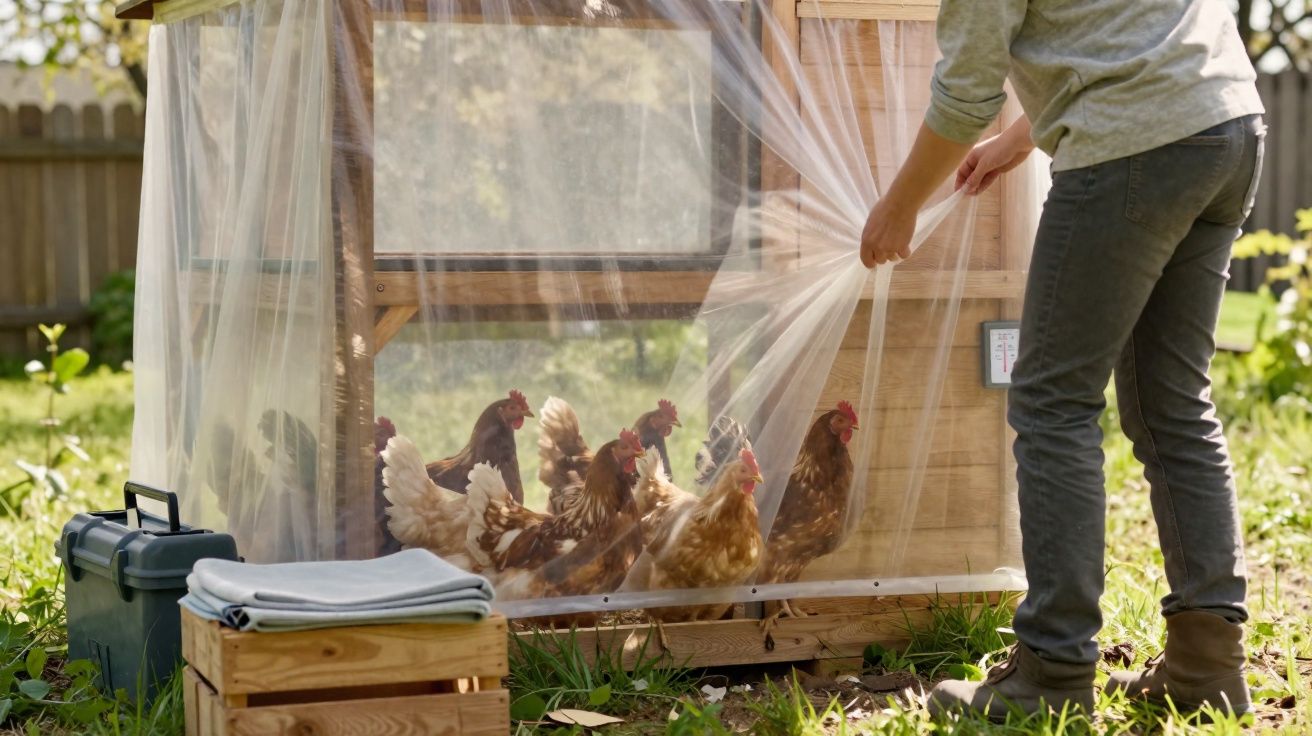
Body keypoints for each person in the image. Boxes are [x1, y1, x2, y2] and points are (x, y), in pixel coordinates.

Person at [859, 0, 1265, 721]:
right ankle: (1208, 666)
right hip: (1224, 120)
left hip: (1133, 142)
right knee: (1173, 404)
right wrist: (1023, 137)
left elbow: (964, 93)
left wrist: (900, 206)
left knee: (1052, 403)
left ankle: (1053, 669)